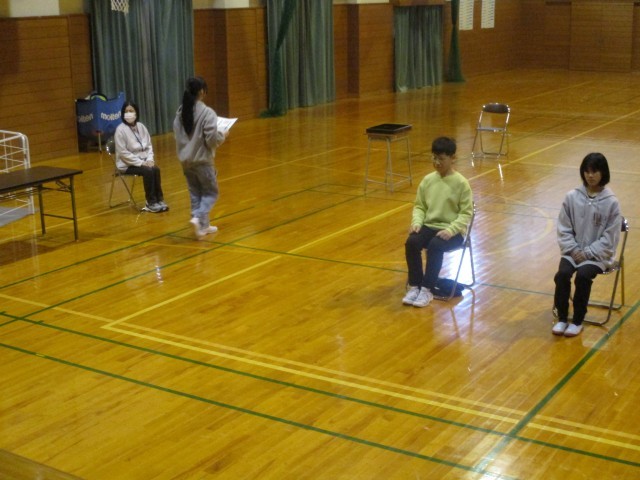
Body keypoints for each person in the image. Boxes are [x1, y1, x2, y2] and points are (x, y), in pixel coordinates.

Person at [552, 153, 621, 337]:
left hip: (598, 256)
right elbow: (563, 228)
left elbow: (610, 237)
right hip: (572, 252)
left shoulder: (612, 202)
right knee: (562, 275)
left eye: (594, 171)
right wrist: (574, 249)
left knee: (582, 276)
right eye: (587, 171)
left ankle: (577, 321)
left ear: (603, 173)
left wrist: (588, 252)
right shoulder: (571, 197)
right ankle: (562, 318)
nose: (590, 175)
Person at [403, 136, 474, 308]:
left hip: (453, 232)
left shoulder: (461, 183)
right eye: (434, 158)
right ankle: (415, 286)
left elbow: (466, 213)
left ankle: (427, 289)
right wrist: (417, 222)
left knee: (435, 245)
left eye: (441, 159)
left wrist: (451, 230)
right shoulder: (428, 180)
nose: (437, 162)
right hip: (430, 226)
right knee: (412, 242)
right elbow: (420, 206)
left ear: (452, 158)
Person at [173, 76, 228, 240]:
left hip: (186, 162)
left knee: (195, 193)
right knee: (211, 193)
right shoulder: (207, 113)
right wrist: (222, 135)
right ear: (202, 92)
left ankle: (202, 227)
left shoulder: (180, 113)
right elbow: (212, 139)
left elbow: (178, 137)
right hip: (202, 161)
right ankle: (198, 217)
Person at [114, 101, 168, 213]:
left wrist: (150, 160)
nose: (129, 113)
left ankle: (159, 199)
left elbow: (148, 146)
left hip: (144, 161)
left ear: (136, 113)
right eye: (126, 111)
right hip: (126, 164)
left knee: (155, 169)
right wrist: (141, 163)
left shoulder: (141, 127)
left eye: (131, 111)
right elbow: (123, 153)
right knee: (148, 171)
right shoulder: (120, 130)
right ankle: (150, 202)